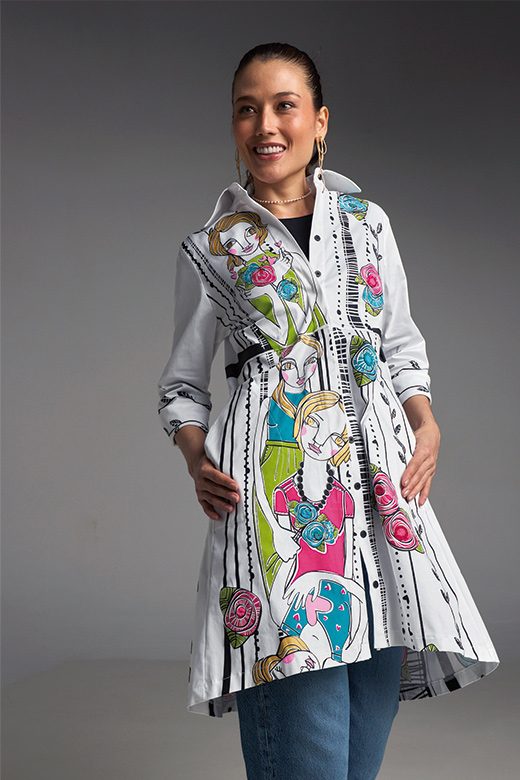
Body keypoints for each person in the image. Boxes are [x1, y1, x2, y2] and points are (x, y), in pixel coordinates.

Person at [157, 42, 499, 779]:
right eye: (246, 109)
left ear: (320, 121)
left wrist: (427, 424)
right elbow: (182, 385)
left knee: (360, 746)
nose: (265, 125)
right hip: (277, 506)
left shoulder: (368, 223)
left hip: (381, 508)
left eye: (284, 105)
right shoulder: (212, 248)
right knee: (305, 743)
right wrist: (194, 455)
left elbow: (400, 345)